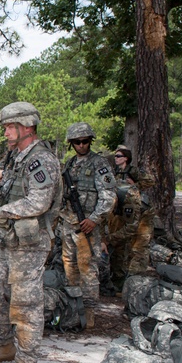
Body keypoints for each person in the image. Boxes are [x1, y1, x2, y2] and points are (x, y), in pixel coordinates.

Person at [0, 102, 61, 363]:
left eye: (11, 127)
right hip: (8, 239)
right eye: (6, 128)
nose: (6, 132)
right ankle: (5, 346)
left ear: (27, 127)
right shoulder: (15, 156)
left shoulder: (41, 160)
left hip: (30, 243)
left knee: (25, 305)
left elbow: (39, 201)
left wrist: (0, 213)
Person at [58, 122, 116, 329]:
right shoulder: (70, 164)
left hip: (87, 225)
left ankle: (89, 312)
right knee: (69, 266)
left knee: (87, 269)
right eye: (77, 142)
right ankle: (74, 307)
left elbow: (108, 195)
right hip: (68, 222)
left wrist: (95, 218)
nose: (81, 145)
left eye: (85, 142)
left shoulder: (99, 164)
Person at [107, 146, 154, 290]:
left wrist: (136, 186)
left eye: (119, 156)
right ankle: (119, 281)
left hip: (138, 211)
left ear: (126, 158)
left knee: (138, 247)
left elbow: (150, 181)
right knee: (119, 248)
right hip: (121, 210)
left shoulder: (133, 171)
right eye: (115, 156)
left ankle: (135, 283)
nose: (116, 159)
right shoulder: (114, 172)